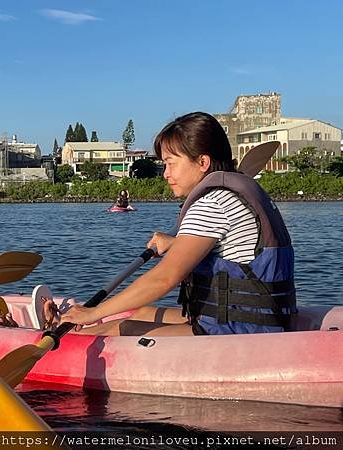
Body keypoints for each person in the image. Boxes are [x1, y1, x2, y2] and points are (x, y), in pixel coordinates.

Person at [62, 112, 296, 336]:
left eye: (171, 163)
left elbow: (164, 278)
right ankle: (69, 328)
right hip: (255, 319)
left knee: (123, 327)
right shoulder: (232, 195)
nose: (165, 173)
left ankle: (66, 338)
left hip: (236, 330)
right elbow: (229, 250)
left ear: (202, 162)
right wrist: (176, 243)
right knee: (142, 313)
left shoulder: (212, 204)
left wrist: (94, 313)